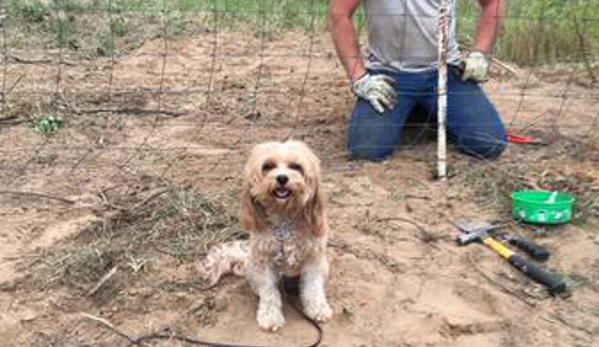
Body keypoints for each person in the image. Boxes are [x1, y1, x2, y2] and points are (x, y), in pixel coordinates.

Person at [328, 0, 507, 161]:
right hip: (389, 74)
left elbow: (493, 3)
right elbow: (339, 14)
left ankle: (424, 112)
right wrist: (360, 78)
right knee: (365, 151)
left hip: (447, 71)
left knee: (490, 144)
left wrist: (479, 53)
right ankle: (415, 112)